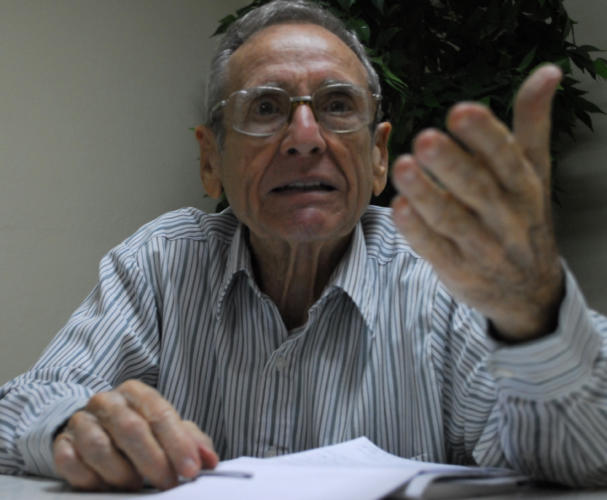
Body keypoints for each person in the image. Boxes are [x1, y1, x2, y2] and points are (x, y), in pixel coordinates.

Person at [1, 0, 607, 492]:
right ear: (211, 160)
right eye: (266, 107)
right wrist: (73, 428)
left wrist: (536, 319)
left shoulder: (445, 274)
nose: (305, 137)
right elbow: (19, 407)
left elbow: (578, 456)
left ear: (377, 156)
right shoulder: (161, 262)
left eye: (337, 105)